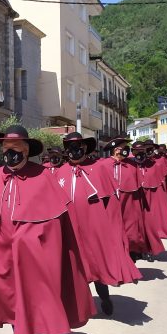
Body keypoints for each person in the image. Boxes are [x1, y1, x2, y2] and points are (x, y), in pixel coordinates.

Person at [0, 125, 94, 334]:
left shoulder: (43, 177)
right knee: (14, 303)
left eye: (15, 150)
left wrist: (34, 243)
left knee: (38, 305)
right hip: (4, 256)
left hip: (36, 258)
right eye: (5, 150)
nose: (9, 155)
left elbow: (55, 225)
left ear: (27, 151)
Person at [57, 133, 141, 316]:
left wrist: (111, 231)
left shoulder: (99, 168)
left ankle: (104, 298)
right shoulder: (60, 172)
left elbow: (110, 204)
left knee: (95, 264)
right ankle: (80, 305)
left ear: (85, 148)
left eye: (78, 146)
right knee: (73, 267)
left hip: (93, 228)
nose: (74, 150)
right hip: (69, 228)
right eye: (70, 147)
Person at [101, 138, 146, 263]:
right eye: (124, 147)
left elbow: (138, 189)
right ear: (116, 150)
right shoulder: (103, 165)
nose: (127, 150)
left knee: (130, 233)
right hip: (110, 207)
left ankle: (130, 258)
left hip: (129, 207)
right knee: (112, 234)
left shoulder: (132, 166)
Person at [130, 141, 167, 259]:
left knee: (148, 226)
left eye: (142, 150)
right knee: (134, 227)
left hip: (148, 199)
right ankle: (134, 250)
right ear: (132, 152)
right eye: (136, 151)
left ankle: (148, 249)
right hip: (134, 199)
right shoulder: (129, 164)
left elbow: (158, 185)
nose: (139, 153)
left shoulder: (152, 164)